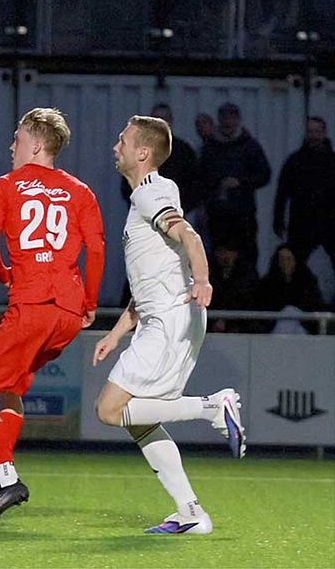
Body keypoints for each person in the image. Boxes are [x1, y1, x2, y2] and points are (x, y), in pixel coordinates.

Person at [92, 115, 245, 537]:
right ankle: (190, 512)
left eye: (123, 141)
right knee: (139, 419)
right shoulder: (152, 192)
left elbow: (189, 236)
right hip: (163, 316)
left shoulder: (150, 192)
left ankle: (213, 407)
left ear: (142, 152)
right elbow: (146, 283)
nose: (116, 147)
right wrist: (115, 334)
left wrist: (202, 280)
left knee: (108, 409)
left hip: (169, 318)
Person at [0, 107, 105, 527]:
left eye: (17, 139)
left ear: (36, 144)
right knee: (10, 389)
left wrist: (6, 275)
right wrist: (90, 302)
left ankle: (8, 479)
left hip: (32, 306)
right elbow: (96, 251)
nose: (11, 146)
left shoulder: (5, 185)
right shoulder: (81, 191)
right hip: (68, 313)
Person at [197, 102, 271, 267]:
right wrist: (217, 184)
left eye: (231, 118)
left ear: (238, 120)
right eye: (224, 118)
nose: (228, 122)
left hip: (243, 216)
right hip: (217, 216)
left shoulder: (250, 146)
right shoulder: (209, 147)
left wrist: (241, 182)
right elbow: (200, 179)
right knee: (216, 261)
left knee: (246, 260)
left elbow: (264, 175)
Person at [273, 116, 335, 274]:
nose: (313, 135)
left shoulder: (332, 161)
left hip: (330, 222)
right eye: (310, 131)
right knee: (293, 265)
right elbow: (282, 193)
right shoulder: (295, 161)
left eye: (317, 131)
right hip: (302, 223)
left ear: (324, 133)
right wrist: (278, 221)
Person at [119, 103, 200, 215]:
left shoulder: (183, 151)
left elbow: (194, 185)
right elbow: (127, 183)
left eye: (164, 119)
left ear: (171, 121)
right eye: (156, 119)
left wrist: (179, 208)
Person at [255, 244, 323, 335]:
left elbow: (314, 306)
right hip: (274, 327)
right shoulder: (267, 283)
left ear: (296, 261)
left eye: (289, 259)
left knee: (292, 313)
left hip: (303, 326)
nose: (285, 262)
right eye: (282, 259)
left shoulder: (308, 282)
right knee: (289, 314)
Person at [208, 236, 259, 334]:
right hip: (211, 324)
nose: (225, 256)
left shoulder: (247, 274)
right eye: (221, 251)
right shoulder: (210, 273)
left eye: (229, 251)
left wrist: (227, 320)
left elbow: (244, 299)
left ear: (236, 254)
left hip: (241, 324)